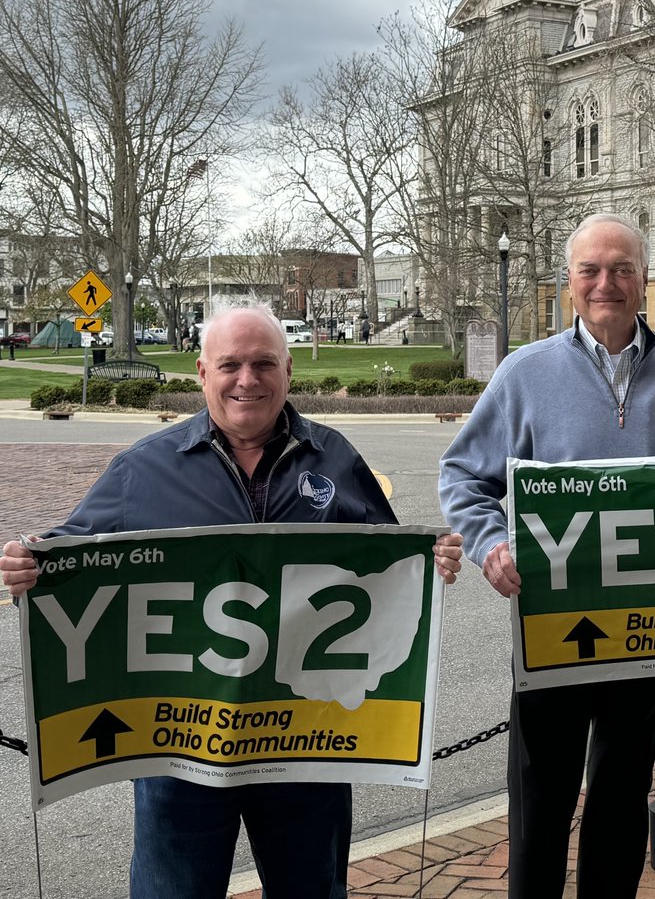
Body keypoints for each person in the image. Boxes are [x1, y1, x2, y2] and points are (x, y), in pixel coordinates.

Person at [1, 305, 463, 899]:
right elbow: (69, 562)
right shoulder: (142, 471)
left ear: (288, 370)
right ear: (201, 373)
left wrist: (432, 562)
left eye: (264, 363)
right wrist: (31, 565)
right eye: (231, 365)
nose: (248, 379)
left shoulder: (337, 460)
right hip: (182, 758)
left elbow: (391, 566)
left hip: (307, 751)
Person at [439, 212, 655, 899]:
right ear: (569, 283)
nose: (607, 282)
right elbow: (464, 476)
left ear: (644, 280)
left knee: (620, 797)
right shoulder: (525, 374)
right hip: (552, 627)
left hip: (652, 631)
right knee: (541, 802)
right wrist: (490, 545)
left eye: (622, 269)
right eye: (591, 270)